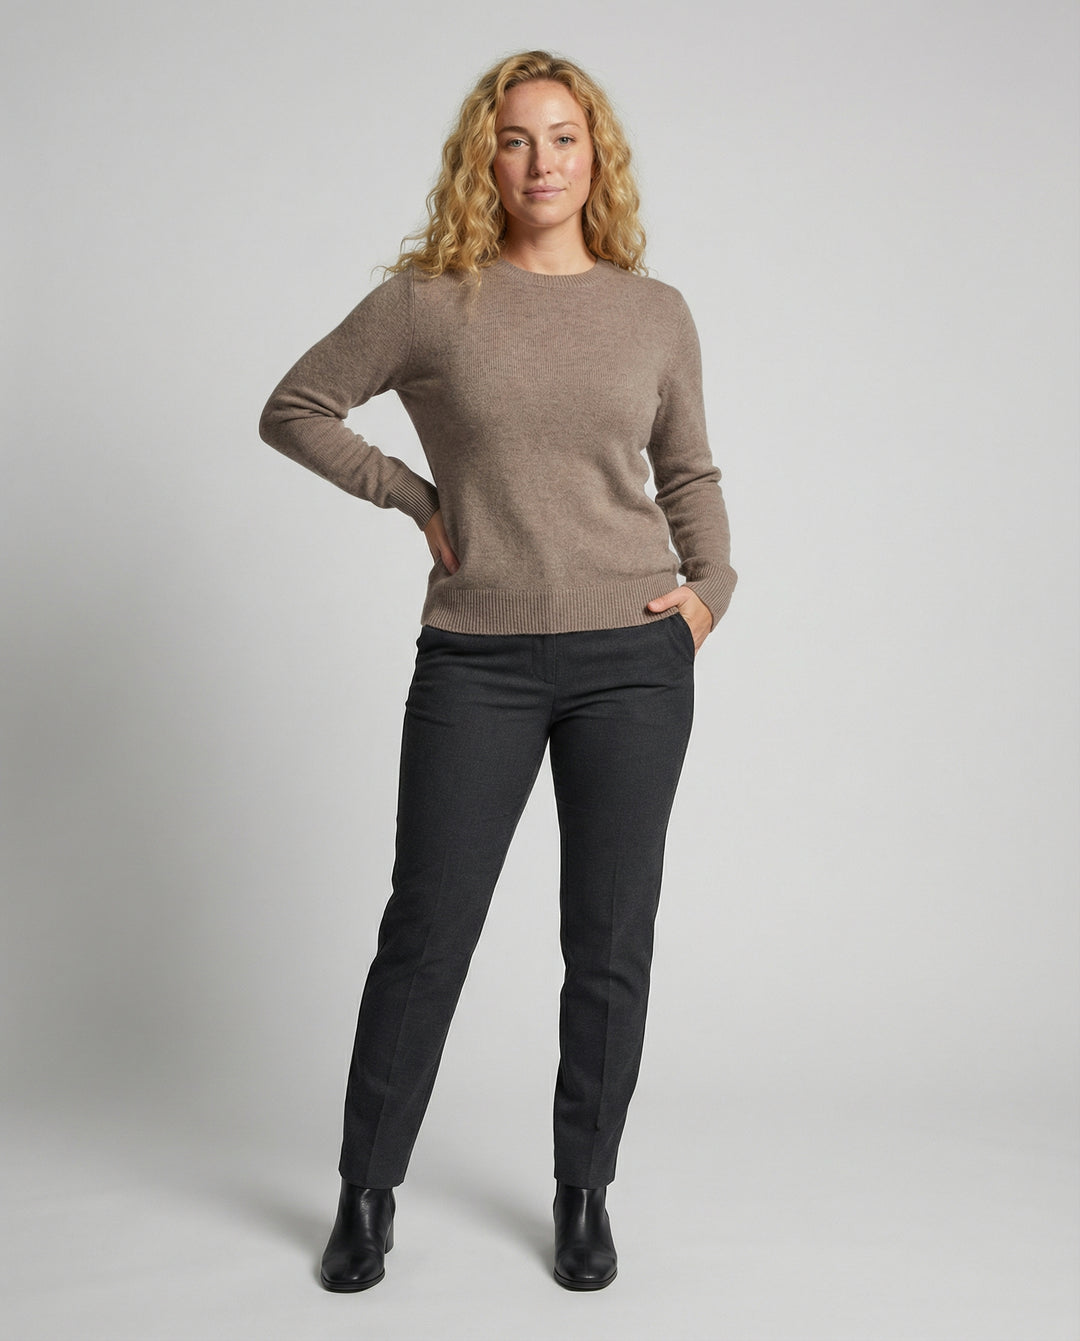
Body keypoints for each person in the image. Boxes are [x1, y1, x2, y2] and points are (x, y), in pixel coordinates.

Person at [258, 49, 737, 1294]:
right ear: (486, 156)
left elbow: (687, 470)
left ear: (596, 155)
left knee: (610, 937)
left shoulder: (654, 311)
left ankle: (585, 1193)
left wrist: (708, 593)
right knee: (428, 930)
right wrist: (415, 497)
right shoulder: (432, 303)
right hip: (478, 658)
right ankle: (367, 1193)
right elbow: (297, 407)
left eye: (563, 137)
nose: (541, 161)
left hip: (633, 659)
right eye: (516, 139)